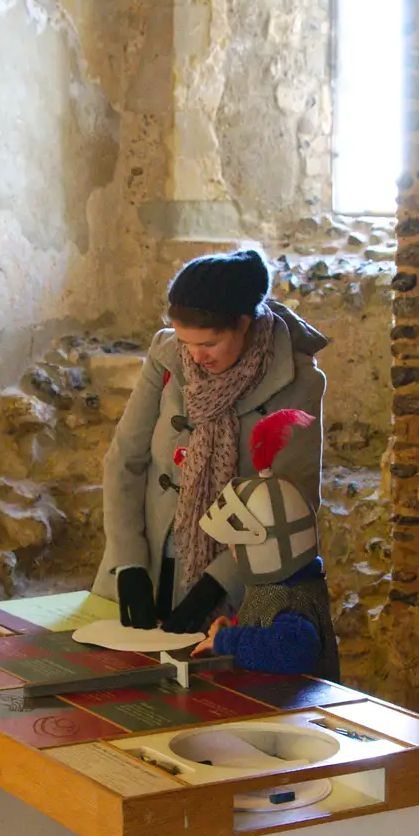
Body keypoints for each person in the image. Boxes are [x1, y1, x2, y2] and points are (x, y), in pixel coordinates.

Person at [93, 248, 328, 633]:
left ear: (243, 322)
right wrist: (129, 562)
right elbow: (125, 460)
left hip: (231, 583)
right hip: (146, 565)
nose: (195, 355)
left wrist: (217, 583)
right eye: (186, 342)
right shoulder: (167, 355)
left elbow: (291, 503)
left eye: (209, 344)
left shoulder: (297, 381)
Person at [190, 408, 339, 680]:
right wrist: (233, 628)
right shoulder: (280, 582)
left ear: (270, 545)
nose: (232, 551)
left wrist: (229, 641)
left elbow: (295, 651)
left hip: (296, 716)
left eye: (237, 544)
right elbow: (265, 626)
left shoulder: (291, 596)